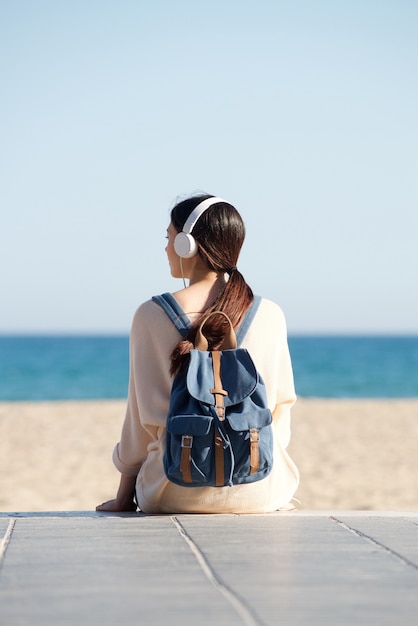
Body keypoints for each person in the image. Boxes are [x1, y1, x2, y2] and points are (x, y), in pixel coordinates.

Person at [96, 194, 299, 514]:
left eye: (168, 237)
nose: (165, 248)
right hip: (259, 489)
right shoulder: (270, 314)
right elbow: (280, 412)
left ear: (185, 245)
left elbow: (139, 423)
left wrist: (124, 498)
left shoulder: (151, 314)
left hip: (171, 491)